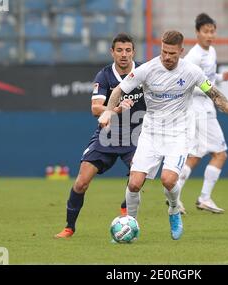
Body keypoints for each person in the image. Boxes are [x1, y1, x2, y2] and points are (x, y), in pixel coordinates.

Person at [98, 30, 228, 241]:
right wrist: (110, 111)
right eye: (164, 52)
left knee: (168, 180)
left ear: (181, 51)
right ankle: (131, 227)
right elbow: (119, 90)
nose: (167, 57)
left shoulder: (192, 72)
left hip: (178, 133)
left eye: (172, 53)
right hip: (151, 133)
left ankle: (174, 211)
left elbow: (216, 96)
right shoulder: (147, 69)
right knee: (134, 184)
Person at [55, 33, 146, 239]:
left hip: (135, 138)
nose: (124, 55)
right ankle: (69, 227)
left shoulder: (143, 72)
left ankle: (126, 212)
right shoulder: (104, 76)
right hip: (107, 136)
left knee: (137, 178)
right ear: (112, 52)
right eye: (120, 50)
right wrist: (116, 109)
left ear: (133, 52)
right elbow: (96, 109)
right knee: (81, 182)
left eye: (128, 50)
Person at [175, 13, 228, 214]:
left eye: (212, 31)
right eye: (206, 31)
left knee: (195, 155)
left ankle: (174, 195)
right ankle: (204, 198)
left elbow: (206, 77)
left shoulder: (211, 51)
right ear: (197, 33)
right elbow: (187, 84)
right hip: (200, 109)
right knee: (220, 154)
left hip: (203, 108)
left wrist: (220, 78)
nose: (210, 35)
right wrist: (211, 90)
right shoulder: (193, 56)